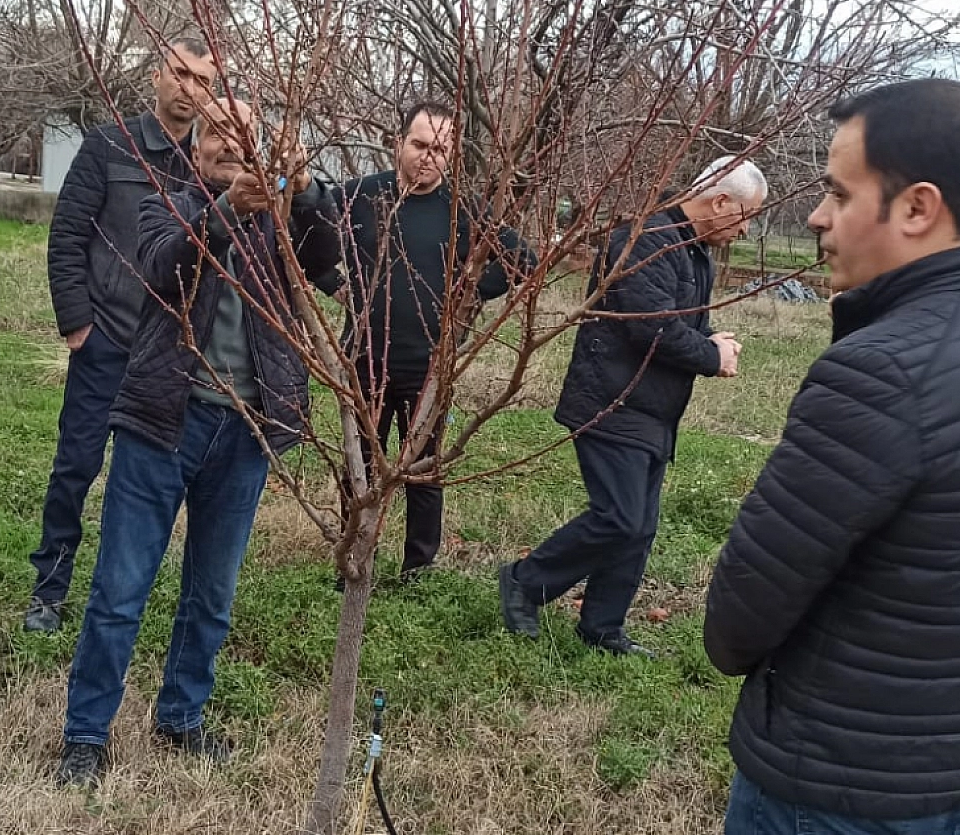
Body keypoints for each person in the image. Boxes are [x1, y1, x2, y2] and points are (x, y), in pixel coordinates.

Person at [702, 79, 960, 835]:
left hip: (836, 779)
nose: (816, 216)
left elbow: (739, 619)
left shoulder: (885, 370)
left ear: (919, 207)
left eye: (838, 192)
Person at [56, 98, 342, 787]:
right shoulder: (169, 202)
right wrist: (224, 212)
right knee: (120, 589)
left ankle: (182, 717)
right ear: (197, 146)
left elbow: (331, 260)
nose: (227, 147)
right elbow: (161, 262)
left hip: (245, 432)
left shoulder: (278, 221)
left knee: (211, 594)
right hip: (163, 420)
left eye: (242, 137)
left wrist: (302, 194)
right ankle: (86, 736)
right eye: (215, 135)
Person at [498, 157, 763, 655]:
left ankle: (603, 628)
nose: (746, 228)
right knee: (619, 516)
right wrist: (709, 355)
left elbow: (677, 319)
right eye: (745, 215)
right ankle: (523, 581)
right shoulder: (645, 239)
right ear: (721, 200)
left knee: (639, 526)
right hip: (610, 400)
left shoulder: (695, 252)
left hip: (654, 409)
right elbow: (649, 323)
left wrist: (709, 339)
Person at [27, 38, 219, 632]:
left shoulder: (211, 162)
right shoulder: (111, 145)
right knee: (77, 465)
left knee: (147, 480)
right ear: (157, 76)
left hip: (171, 352)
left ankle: (120, 593)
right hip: (107, 338)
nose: (190, 90)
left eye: (204, 81)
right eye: (180, 75)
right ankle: (50, 588)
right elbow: (67, 238)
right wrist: (78, 324)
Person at [340, 101, 533, 584]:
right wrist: (330, 280)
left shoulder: (462, 212)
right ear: (398, 143)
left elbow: (522, 259)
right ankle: (352, 561)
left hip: (428, 366)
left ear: (452, 157)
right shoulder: (362, 196)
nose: (428, 157)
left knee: (424, 470)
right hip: (364, 358)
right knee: (358, 465)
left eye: (440, 150)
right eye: (419, 145)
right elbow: (301, 227)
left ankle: (418, 570)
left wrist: (468, 293)